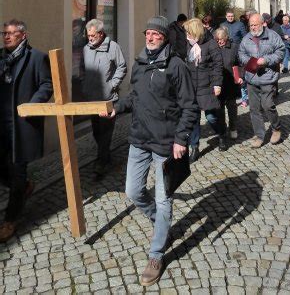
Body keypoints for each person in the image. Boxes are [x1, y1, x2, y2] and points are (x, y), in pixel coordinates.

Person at [100, 16, 198, 286]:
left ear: (165, 37)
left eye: (156, 34)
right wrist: (115, 108)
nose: (151, 37)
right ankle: (161, 223)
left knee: (164, 198)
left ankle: (156, 255)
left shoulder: (176, 66)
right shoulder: (140, 63)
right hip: (139, 139)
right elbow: (134, 97)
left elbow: (190, 106)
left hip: (166, 143)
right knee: (133, 191)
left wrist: (181, 139)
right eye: (148, 33)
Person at [0, 19, 53, 242]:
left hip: (23, 125)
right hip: (1, 124)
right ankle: (23, 187)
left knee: (17, 170)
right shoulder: (1, 57)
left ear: (23, 35)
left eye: (12, 33)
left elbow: (47, 85)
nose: (7, 36)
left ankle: (10, 220)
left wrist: (33, 104)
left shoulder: (37, 57)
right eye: (5, 33)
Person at [82, 19, 127, 176]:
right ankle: (106, 158)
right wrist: (84, 83)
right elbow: (83, 69)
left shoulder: (113, 47)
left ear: (100, 34)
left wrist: (112, 85)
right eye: (88, 35)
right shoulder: (86, 49)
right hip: (91, 99)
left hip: (108, 99)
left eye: (92, 35)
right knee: (96, 132)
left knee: (105, 132)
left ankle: (100, 163)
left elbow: (122, 66)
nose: (90, 38)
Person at [238, 13, 285, 148]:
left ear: (262, 24)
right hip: (252, 78)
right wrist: (250, 61)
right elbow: (241, 53)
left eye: (255, 25)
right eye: (251, 25)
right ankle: (259, 135)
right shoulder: (246, 38)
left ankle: (276, 128)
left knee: (267, 104)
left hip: (268, 77)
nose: (253, 27)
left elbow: (281, 51)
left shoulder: (272, 36)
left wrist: (266, 60)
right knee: (254, 109)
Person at [184, 17, 226, 162]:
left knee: (211, 117)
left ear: (196, 31)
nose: (187, 35)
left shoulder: (211, 44)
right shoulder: (189, 44)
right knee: (193, 118)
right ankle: (194, 147)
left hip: (207, 86)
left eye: (189, 32)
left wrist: (217, 84)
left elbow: (217, 65)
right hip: (192, 87)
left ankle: (221, 134)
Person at [214, 27, 242, 140]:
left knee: (232, 108)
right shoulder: (214, 47)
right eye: (217, 39)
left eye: (221, 39)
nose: (220, 41)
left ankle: (233, 128)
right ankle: (222, 129)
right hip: (218, 83)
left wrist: (240, 76)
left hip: (231, 82)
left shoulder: (234, 47)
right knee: (219, 109)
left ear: (226, 37)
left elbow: (239, 63)